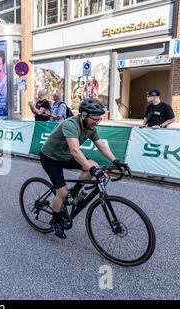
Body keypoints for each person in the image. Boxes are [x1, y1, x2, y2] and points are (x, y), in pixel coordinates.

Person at [39, 98, 129, 239]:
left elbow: (101, 146)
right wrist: (92, 170)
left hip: (65, 155)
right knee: (62, 193)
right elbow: (75, 151)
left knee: (93, 165)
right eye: (94, 119)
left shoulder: (90, 127)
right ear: (84, 115)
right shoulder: (70, 124)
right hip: (50, 157)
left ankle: (73, 193)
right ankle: (55, 220)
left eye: (99, 119)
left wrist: (116, 161)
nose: (97, 122)